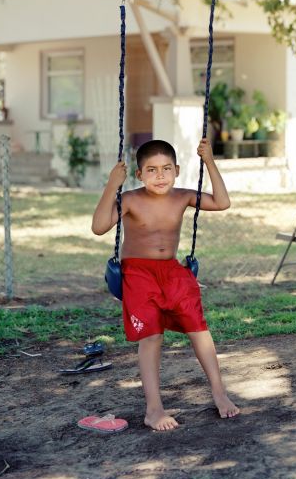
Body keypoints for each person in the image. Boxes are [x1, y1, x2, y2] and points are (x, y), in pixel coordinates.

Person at [92, 138, 238, 431]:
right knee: (151, 337)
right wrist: (112, 185)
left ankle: (219, 393)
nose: (160, 176)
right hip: (139, 274)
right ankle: (154, 409)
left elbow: (222, 202)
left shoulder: (182, 196)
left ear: (177, 170)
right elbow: (98, 227)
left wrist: (209, 160)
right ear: (139, 174)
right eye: (152, 170)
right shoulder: (131, 199)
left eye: (166, 169)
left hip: (173, 272)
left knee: (199, 327)